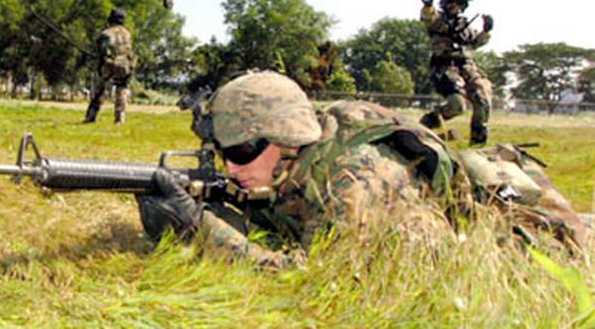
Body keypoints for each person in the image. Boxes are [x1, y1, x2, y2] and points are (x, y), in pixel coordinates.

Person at [136, 71, 591, 269]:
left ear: (285, 138)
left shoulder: (352, 180)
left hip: (521, 238)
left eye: (240, 152)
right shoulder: (288, 166)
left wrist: (198, 230)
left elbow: (313, 280)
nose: (230, 167)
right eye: (220, 153)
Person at [418, 0, 494, 145]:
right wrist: (427, 5)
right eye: (451, 1)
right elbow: (427, 18)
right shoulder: (438, 20)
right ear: (444, 2)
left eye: (458, 2)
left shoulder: (464, 25)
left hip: (467, 65)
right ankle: (427, 123)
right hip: (444, 66)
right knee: (458, 105)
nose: (454, 5)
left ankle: (478, 143)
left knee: (483, 99)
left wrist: (486, 30)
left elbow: (475, 43)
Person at [84, 8, 135, 124]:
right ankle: (119, 119)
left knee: (99, 91)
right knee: (121, 90)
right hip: (125, 66)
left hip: (109, 65)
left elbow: (100, 52)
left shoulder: (105, 34)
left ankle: (91, 117)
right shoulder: (127, 34)